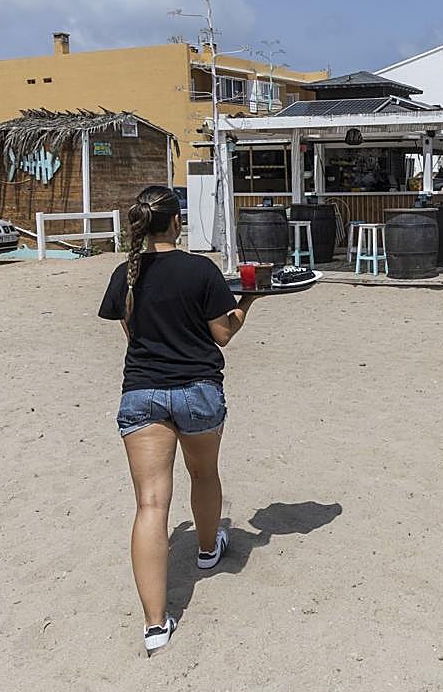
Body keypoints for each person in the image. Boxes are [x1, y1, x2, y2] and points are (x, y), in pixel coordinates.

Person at [98, 186, 259, 656]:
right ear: (174, 223)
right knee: (203, 472)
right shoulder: (200, 270)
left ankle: (154, 625)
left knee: (151, 505)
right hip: (198, 391)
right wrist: (246, 303)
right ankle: (209, 551)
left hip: (143, 392)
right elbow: (222, 334)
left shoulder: (125, 275)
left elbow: (132, 333)